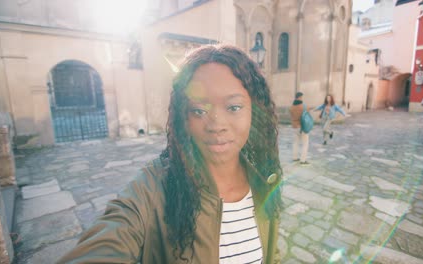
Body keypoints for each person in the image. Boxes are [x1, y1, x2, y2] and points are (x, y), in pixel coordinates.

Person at [58, 45, 282, 264]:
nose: (216, 125)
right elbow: (110, 240)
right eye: (199, 110)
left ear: (255, 110)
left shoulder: (264, 181)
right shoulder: (154, 189)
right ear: (183, 118)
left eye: (233, 107)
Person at [289, 92, 311, 165]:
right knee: (305, 143)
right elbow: (308, 112)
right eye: (301, 97)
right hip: (302, 127)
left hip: (294, 127)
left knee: (295, 142)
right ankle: (303, 160)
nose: (302, 98)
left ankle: (295, 157)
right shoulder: (303, 106)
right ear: (299, 97)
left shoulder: (291, 107)